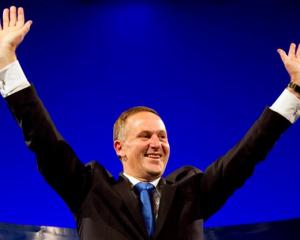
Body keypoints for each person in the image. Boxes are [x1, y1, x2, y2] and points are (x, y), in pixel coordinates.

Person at [1, 6, 300, 240]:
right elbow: (44, 141)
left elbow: (248, 153)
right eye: (145, 136)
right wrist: (8, 64)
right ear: (119, 147)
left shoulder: (191, 191)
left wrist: (294, 92)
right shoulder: (90, 188)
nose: (157, 144)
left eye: (162, 136)